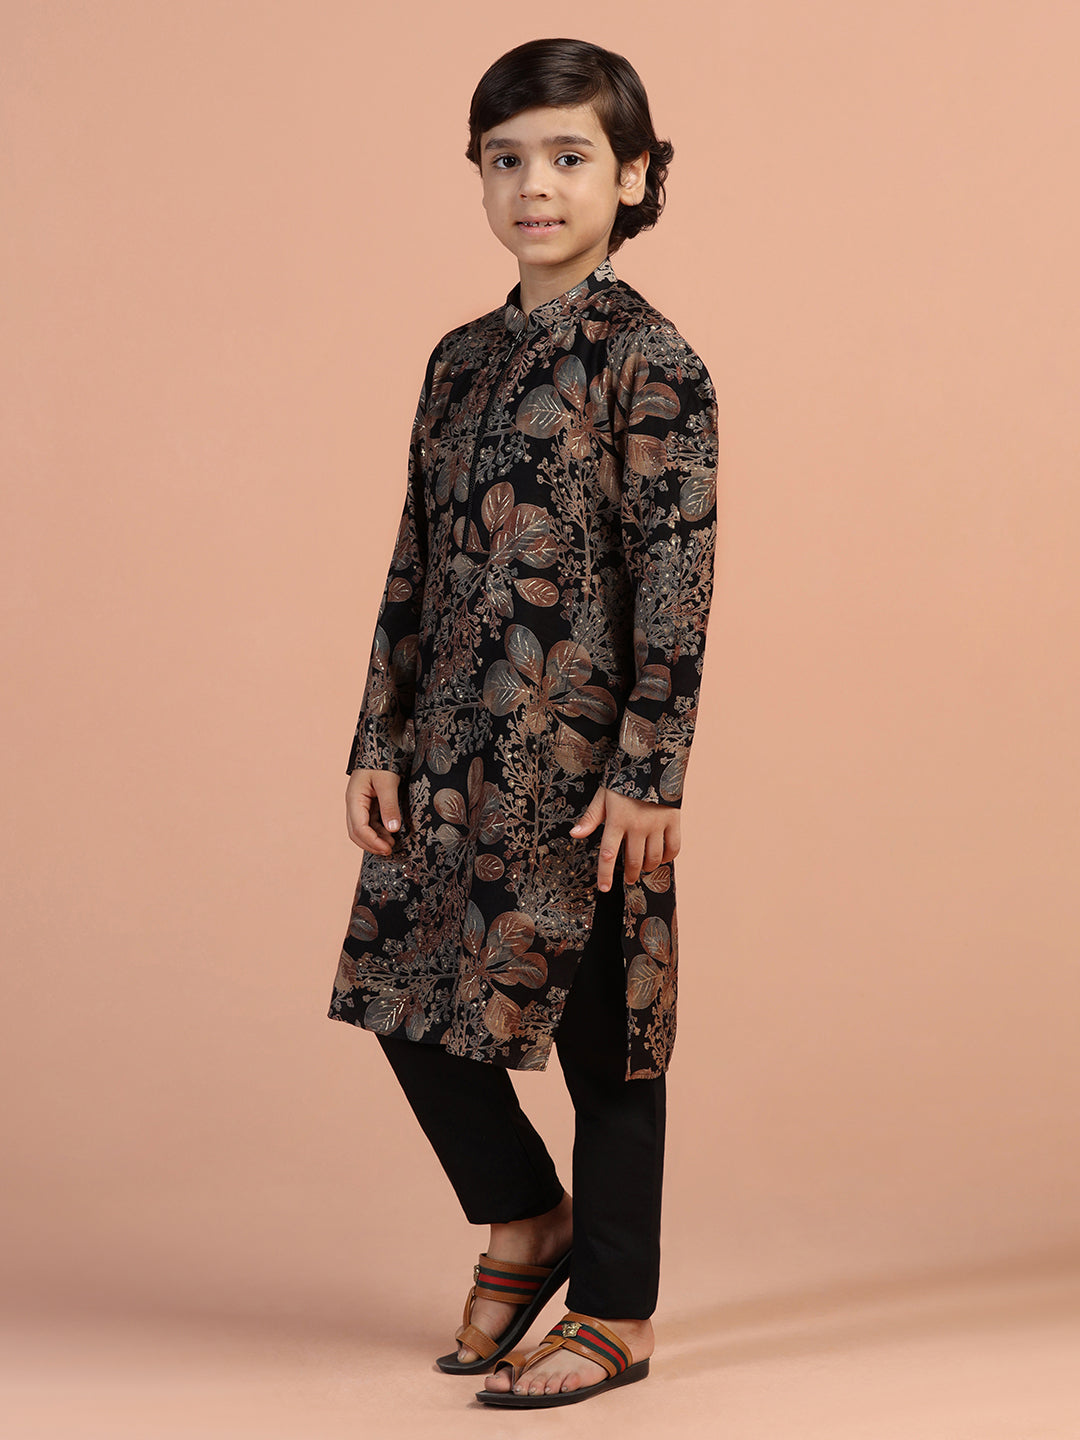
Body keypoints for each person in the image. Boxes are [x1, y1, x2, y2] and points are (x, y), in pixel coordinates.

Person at [327, 37, 719, 1408]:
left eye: (568, 157)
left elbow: (676, 577)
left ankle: (613, 1310)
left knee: (609, 1038)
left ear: (635, 176)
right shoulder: (459, 360)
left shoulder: (651, 361)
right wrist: (378, 738)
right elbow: (413, 559)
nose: (535, 186)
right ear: (480, 178)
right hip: (449, 755)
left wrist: (651, 769)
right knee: (405, 998)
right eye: (507, 160)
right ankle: (523, 1219)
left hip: (585, 771)